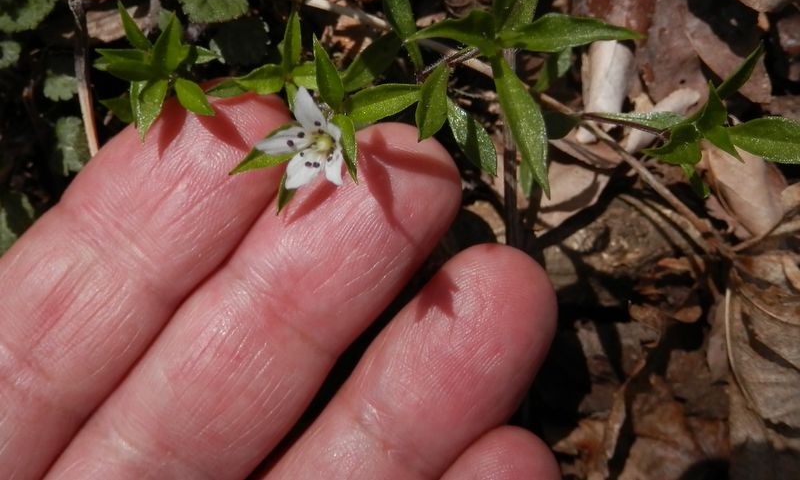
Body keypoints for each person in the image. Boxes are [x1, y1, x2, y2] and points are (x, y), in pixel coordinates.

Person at [0, 93, 560, 480]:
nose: (316, 146)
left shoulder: (327, 143)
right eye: (314, 140)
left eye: (319, 140)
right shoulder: (316, 149)